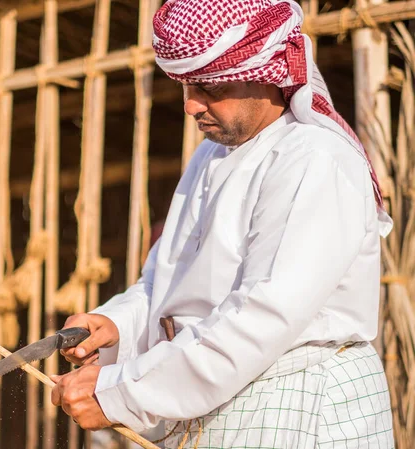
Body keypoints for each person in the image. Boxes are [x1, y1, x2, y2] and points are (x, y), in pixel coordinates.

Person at [51, 1, 395, 447]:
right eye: (187, 85)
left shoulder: (314, 158)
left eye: (210, 86)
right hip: (225, 405)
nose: (191, 104)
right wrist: (118, 324)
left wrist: (123, 393)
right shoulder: (211, 156)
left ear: (266, 73)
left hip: (302, 406)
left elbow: (262, 315)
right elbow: (164, 283)